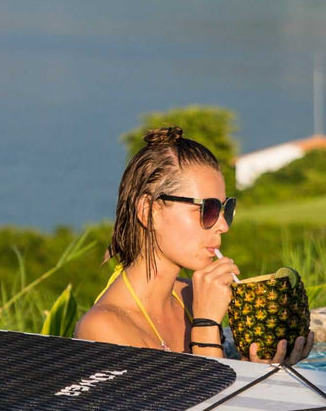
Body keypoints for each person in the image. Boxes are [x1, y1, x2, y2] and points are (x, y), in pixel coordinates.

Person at [75, 125, 313, 363]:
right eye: (207, 209)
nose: (223, 225)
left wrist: (262, 370)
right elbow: (204, 399)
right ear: (149, 210)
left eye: (225, 209)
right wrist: (206, 325)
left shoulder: (193, 297)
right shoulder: (102, 329)